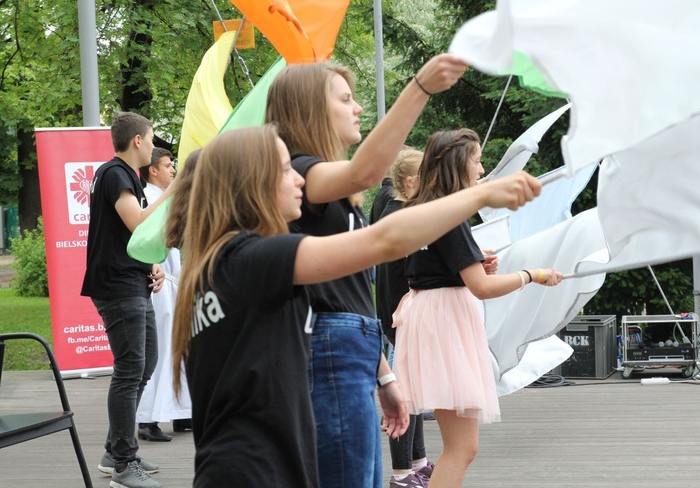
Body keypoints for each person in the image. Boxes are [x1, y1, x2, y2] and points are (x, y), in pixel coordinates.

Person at [169, 125, 543, 487]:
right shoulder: (254, 258)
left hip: (242, 462)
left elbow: (335, 302)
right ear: (249, 183)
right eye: (286, 169)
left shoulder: (213, 267)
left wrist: (384, 375)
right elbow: (383, 240)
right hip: (258, 467)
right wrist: (477, 196)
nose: (301, 179)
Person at [265, 53, 467, 488]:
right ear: (311, 110)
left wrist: (384, 375)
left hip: (351, 346)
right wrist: (420, 88)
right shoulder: (302, 170)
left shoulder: (325, 185)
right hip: (330, 348)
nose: (358, 108)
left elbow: (343, 292)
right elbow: (366, 172)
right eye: (346, 99)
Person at [392, 129, 564, 488]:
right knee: (462, 448)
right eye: (476, 160)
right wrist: (533, 274)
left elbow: (430, 267)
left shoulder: (424, 208)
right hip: (446, 323)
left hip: (428, 315)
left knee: (460, 446)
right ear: (458, 165)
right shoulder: (451, 215)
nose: (482, 170)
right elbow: (482, 288)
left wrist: (471, 262)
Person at [81, 112, 170, 488]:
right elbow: (138, 223)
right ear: (137, 141)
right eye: (151, 138)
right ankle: (123, 464)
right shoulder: (116, 174)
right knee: (130, 369)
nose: (153, 145)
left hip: (132, 281)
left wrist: (153, 263)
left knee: (145, 362)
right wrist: (174, 191)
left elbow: (131, 238)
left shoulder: (126, 176)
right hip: (117, 287)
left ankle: (113, 450)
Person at [376, 149, 434, 488]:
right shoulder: (400, 215)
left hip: (400, 314)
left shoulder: (400, 211)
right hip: (402, 317)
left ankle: (418, 460)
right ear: (411, 181)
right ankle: (401, 473)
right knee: (407, 394)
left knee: (416, 392)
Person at [135, 147, 192, 442]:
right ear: (153, 170)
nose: (173, 170)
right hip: (157, 282)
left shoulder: (164, 197)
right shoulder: (147, 197)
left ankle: (180, 410)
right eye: (168, 166)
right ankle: (147, 418)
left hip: (171, 279)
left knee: (177, 345)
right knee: (157, 350)